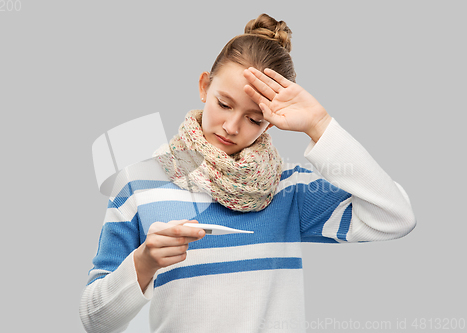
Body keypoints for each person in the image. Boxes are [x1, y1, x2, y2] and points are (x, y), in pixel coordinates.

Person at [79, 13, 416, 333]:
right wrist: (143, 264)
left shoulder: (288, 188)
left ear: (270, 121)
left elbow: (395, 217)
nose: (231, 126)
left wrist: (320, 125)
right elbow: (95, 321)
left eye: (254, 119)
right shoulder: (138, 183)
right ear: (203, 87)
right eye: (224, 104)